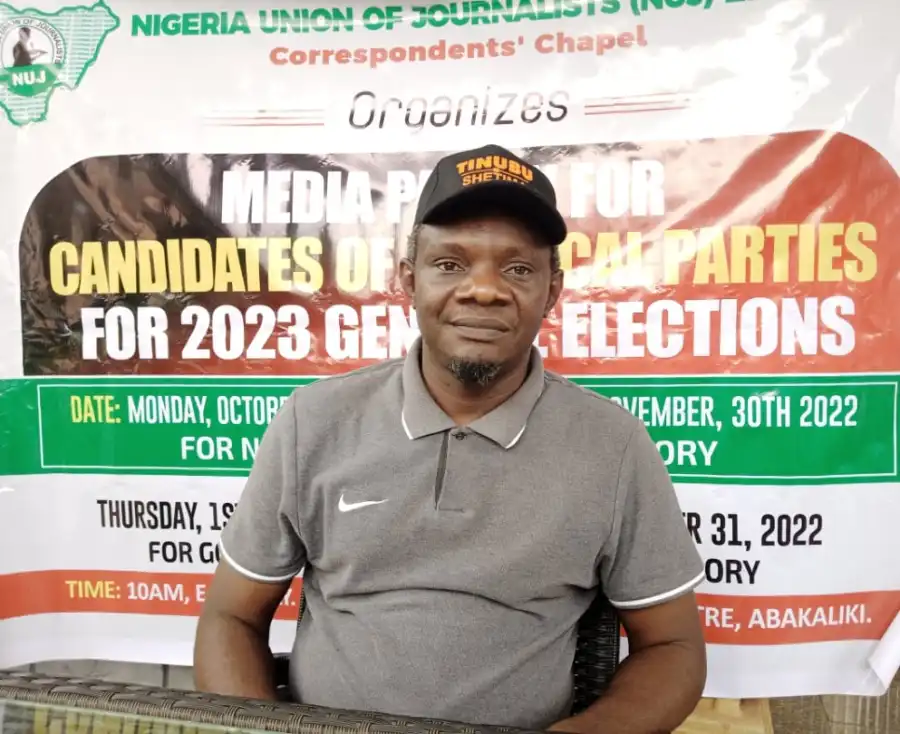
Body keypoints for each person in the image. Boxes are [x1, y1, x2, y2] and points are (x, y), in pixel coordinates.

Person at [194, 144, 707, 733]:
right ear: (409, 280)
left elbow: (673, 647)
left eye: (517, 269)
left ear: (552, 291)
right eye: (450, 264)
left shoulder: (613, 447)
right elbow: (230, 617)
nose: (484, 290)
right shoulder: (313, 422)